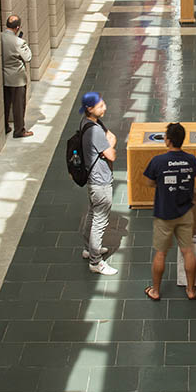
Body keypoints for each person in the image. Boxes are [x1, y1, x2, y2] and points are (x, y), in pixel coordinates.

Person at [141, 122, 196, 301]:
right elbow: (193, 177)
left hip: (164, 214)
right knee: (187, 251)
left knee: (161, 253)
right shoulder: (192, 160)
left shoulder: (157, 161)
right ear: (183, 140)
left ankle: (156, 291)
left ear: (167, 140)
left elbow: (149, 182)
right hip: (185, 212)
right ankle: (191, 290)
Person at [78, 92, 118, 275]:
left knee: (93, 213)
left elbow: (111, 136)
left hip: (93, 180)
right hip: (101, 182)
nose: (105, 108)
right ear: (89, 108)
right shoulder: (95, 130)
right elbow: (111, 154)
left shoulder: (88, 123)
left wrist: (109, 143)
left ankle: (89, 249)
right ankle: (96, 262)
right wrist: (111, 146)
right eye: (101, 106)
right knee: (99, 221)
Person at [1, 15, 33, 138]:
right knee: (18, 106)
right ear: (18, 27)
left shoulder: (0, 37)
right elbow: (28, 57)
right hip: (17, 79)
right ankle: (19, 130)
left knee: (6, 104)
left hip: (4, 77)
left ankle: (5, 126)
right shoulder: (19, 42)